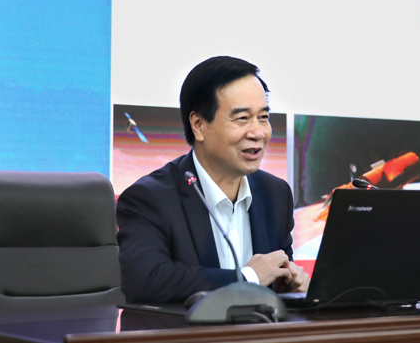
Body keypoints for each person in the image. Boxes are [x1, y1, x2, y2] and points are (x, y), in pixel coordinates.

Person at [116, 56, 310, 303]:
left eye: (263, 117)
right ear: (198, 125)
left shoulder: (275, 193)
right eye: (242, 118)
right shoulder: (150, 198)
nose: (258, 132)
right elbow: (145, 281)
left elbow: (278, 272)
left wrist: (291, 284)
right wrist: (247, 277)